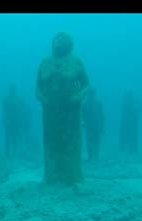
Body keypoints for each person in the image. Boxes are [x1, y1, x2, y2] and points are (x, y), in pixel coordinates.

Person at [36, 32, 89, 185]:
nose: (58, 41)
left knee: (71, 142)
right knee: (51, 142)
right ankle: (51, 177)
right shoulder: (45, 62)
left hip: (71, 111)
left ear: (69, 44)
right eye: (56, 38)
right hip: (50, 112)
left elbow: (86, 85)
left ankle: (72, 177)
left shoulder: (76, 61)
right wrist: (42, 98)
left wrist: (77, 98)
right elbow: (37, 87)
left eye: (62, 39)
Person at [82, 88, 104, 162]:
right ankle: (90, 157)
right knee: (89, 142)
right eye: (91, 94)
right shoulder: (84, 104)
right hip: (89, 126)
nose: (92, 95)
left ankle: (96, 156)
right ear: (88, 95)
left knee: (97, 142)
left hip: (97, 126)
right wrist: (83, 123)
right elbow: (81, 115)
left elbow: (102, 116)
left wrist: (102, 126)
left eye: (93, 94)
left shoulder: (98, 104)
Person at [119, 90, 142, 155]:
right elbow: (130, 110)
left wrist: (137, 102)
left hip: (132, 124)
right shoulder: (126, 103)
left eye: (130, 96)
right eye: (129, 96)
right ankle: (127, 150)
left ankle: (132, 150)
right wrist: (136, 104)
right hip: (127, 123)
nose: (130, 97)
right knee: (127, 137)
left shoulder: (132, 103)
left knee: (132, 137)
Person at [2, 84, 23, 158]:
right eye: (11, 89)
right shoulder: (8, 99)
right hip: (10, 122)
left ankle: (12, 153)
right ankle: (8, 153)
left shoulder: (17, 100)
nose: (12, 90)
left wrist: (19, 122)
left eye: (13, 89)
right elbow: (4, 111)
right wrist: (5, 120)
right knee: (9, 138)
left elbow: (19, 112)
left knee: (14, 138)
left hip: (14, 122)